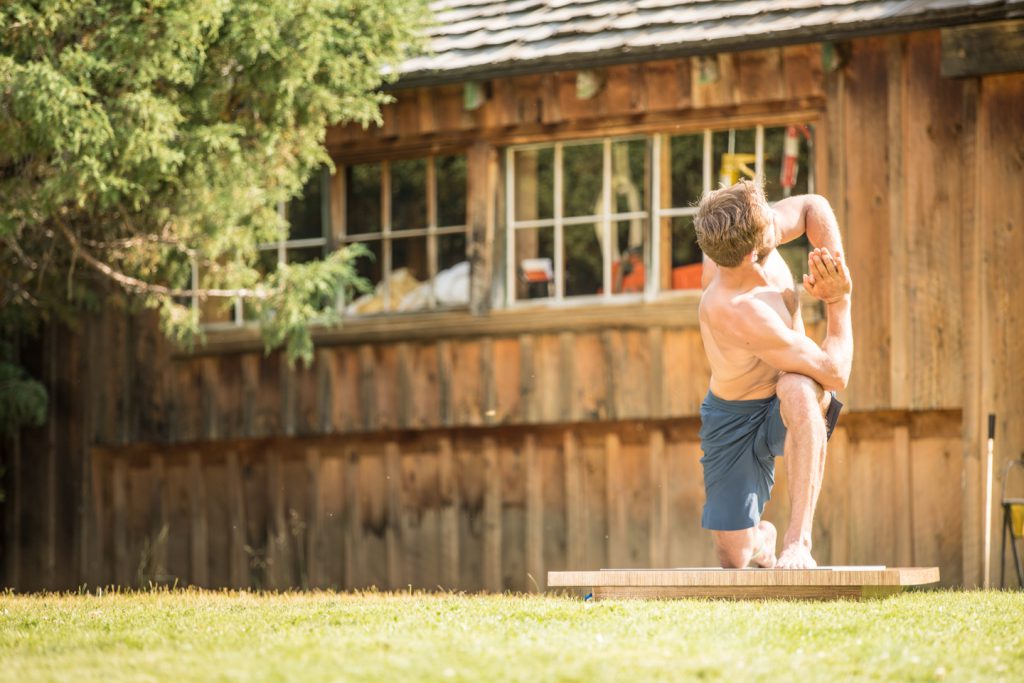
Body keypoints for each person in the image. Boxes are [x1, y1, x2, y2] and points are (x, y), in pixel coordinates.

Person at [694, 179, 853, 570]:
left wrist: (833, 265)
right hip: (731, 415)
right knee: (734, 558)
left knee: (796, 385)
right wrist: (839, 300)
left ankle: (797, 543)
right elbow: (835, 372)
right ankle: (761, 542)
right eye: (770, 225)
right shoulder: (735, 309)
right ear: (751, 255)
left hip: (786, 395)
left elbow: (813, 205)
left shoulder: (743, 237)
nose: (778, 225)